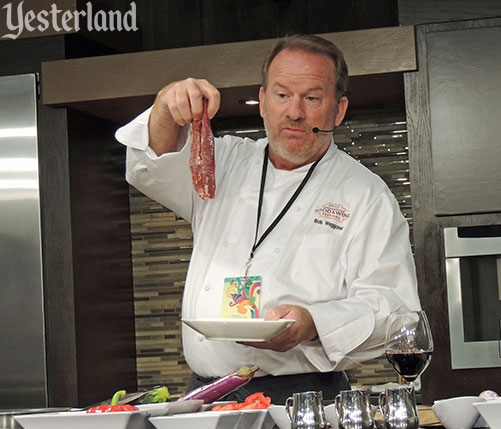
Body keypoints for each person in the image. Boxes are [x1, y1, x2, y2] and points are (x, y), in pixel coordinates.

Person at [115, 34, 421, 404]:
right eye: (281, 95)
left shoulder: (365, 194)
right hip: (205, 396)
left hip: (305, 398)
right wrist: (167, 105)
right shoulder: (222, 161)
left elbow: (396, 311)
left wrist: (311, 324)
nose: (294, 112)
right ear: (262, 101)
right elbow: (152, 166)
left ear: (338, 110)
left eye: (311, 97)